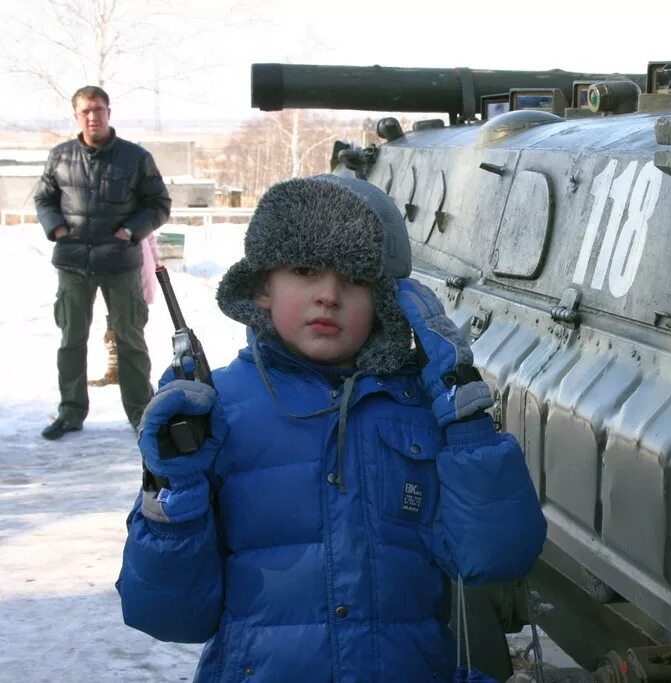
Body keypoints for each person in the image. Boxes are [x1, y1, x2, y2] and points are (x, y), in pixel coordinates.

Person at [116, 175, 547, 681]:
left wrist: (467, 425)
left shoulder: (422, 407)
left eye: (355, 278)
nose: (329, 295)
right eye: (304, 270)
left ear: (389, 301)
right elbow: (166, 613)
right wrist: (172, 492)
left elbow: (498, 557)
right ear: (260, 288)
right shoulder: (218, 411)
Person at [34, 85, 171, 440]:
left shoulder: (134, 158)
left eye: (98, 109)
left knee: (130, 339)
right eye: (85, 111)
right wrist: (58, 229)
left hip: (120, 262)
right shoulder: (60, 156)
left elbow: (158, 204)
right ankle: (70, 412)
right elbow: (44, 199)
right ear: (76, 116)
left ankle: (141, 413)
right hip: (73, 262)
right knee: (71, 339)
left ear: (108, 112)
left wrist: (130, 231)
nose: (92, 117)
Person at [90, 233, 160, 388]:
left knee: (130, 326)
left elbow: (149, 236)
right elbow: (150, 237)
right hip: (129, 267)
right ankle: (117, 371)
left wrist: (155, 260)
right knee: (122, 321)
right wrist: (156, 259)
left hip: (134, 269)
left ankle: (135, 376)